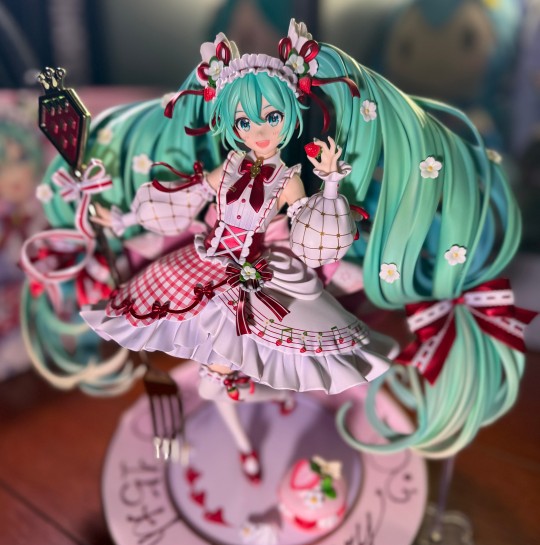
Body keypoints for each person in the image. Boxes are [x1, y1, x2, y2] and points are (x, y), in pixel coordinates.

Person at [29, 19, 531, 472]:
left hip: (261, 267)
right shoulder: (228, 165)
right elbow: (186, 196)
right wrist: (120, 217)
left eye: (270, 117)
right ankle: (237, 404)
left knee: (253, 358)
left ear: (289, 114)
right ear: (231, 125)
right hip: (210, 259)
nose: (260, 132)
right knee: (206, 357)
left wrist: (330, 182)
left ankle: (258, 398)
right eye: (245, 123)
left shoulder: (289, 178)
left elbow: (309, 226)